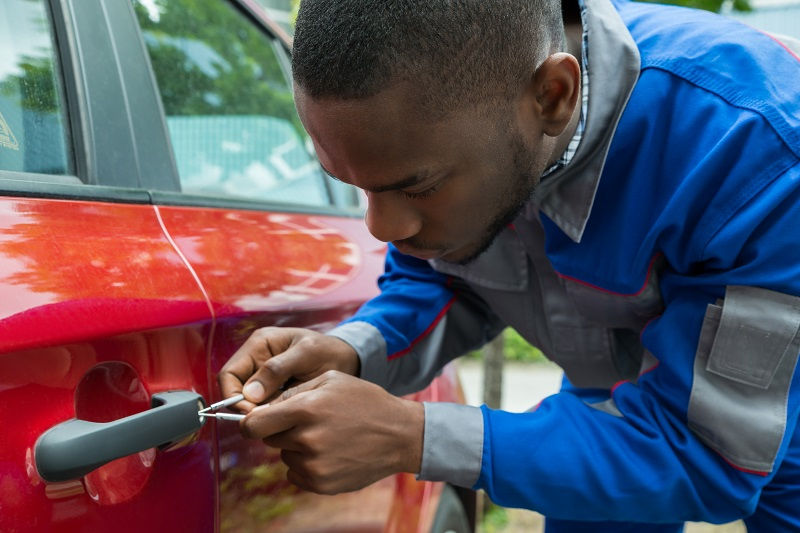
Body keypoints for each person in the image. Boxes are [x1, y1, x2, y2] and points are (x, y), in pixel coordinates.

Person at [219, 0, 800, 530]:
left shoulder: (756, 153)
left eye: (414, 187)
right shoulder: (465, 121)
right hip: (610, 405)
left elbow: (704, 454)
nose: (382, 229)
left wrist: (415, 437)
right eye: (356, 187)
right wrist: (355, 350)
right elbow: (442, 276)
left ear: (552, 96)